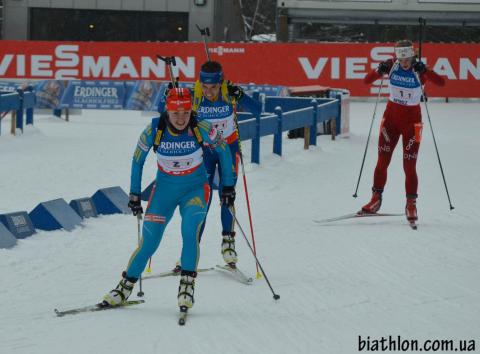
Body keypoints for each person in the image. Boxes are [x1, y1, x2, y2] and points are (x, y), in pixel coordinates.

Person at [102, 88, 235, 311]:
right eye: (176, 114)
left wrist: (228, 185)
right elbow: (137, 161)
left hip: (195, 189)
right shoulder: (153, 130)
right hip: (164, 190)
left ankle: (187, 285)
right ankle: (124, 287)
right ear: (167, 111)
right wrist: (135, 194)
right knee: (149, 242)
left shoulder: (201, 126)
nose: (181, 119)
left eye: (185, 113)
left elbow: (224, 151)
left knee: (190, 231)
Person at [361, 39, 445, 222]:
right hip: (390, 122)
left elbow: (441, 83)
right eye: (401, 57)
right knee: (382, 161)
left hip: (412, 125)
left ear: (413, 55)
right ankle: (375, 199)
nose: (404, 62)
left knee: (409, 165)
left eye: (407, 57)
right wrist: (379, 69)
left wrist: (426, 71)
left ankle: (411, 204)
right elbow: (366, 80)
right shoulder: (391, 65)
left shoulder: (418, 69)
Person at [189, 60, 260, 269]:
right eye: (205, 86)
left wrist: (241, 95)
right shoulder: (195, 94)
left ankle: (228, 242)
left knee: (227, 196)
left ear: (220, 83)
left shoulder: (229, 92)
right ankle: (193, 249)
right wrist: (168, 96)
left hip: (228, 151)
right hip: (206, 153)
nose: (209, 92)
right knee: (202, 199)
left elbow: (257, 110)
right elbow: (163, 111)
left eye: (213, 87)